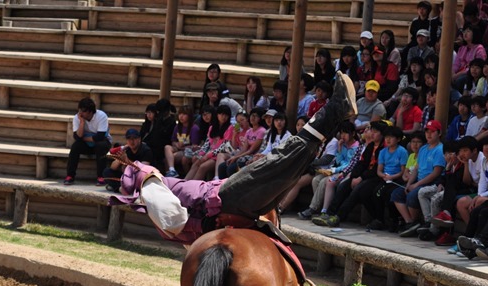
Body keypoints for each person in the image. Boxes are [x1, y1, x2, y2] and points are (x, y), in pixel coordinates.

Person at [108, 71, 358, 245]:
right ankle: (335, 108)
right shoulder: (149, 185)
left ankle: (337, 115)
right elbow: (175, 220)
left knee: (288, 170)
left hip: (221, 201)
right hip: (223, 199)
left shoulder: (151, 189)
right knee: (280, 160)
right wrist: (204, 214)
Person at [391, 119, 446, 236]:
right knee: (397, 193)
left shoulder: (440, 149)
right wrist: (409, 183)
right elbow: (416, 168)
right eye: (427, 131)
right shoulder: (423, 149)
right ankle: (410, 222)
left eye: (432, 131)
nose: (429, 134)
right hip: (418, 180)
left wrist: (416, 185)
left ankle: (417, 222)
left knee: (412, 195)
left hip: (430, 182)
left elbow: (436, 173)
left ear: (439, 133)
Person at [365, 126, 409, 231]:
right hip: (385, 178)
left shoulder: (402, 151)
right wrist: (383, 175)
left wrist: (392, 177)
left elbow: (403, 170)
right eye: (386, 137)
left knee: (389, 194)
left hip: (397, 179)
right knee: (376, 192)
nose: (388, 140)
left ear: (398, 139)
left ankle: (395, 220)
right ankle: (379, 219)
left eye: (391, 137)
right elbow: (379, 170)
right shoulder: (383, 152)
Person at [64, 97, 112, 186]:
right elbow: (77, 137)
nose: (80, 113)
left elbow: (100, 137)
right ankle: (70, 176)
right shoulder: (77, 117)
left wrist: (84, 138)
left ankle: (101, 177)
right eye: (79, 110)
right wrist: (82, 123)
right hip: (87, 144)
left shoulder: (101, 116)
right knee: (75, 146)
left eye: (83, 111)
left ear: (90, 111)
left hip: (103, 142)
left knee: (100, 145)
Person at [165, 105, 200, 178]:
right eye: (180, 114)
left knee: (173, 158)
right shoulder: (177, 127)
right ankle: (172, 170)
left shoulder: (194, 128)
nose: (181, 116)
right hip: (178, 149)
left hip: (188, 151)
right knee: (167, 147)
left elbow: (195, 146)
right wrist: (177, 144)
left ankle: (187, 177)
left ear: (189, 116)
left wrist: (183, 146)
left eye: (184, 114)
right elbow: (173, 141)